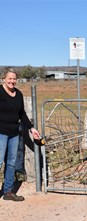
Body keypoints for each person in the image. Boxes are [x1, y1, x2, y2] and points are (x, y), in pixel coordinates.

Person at [0, 68, 40, 201]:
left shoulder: (18, 94)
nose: (12, 81)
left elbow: (22, 114)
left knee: (11, 163)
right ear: (3, 79)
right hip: (1, 133)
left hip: (14, 133)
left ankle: (8, 192)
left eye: (14, 79)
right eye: (9, 78)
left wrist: (31, 128)